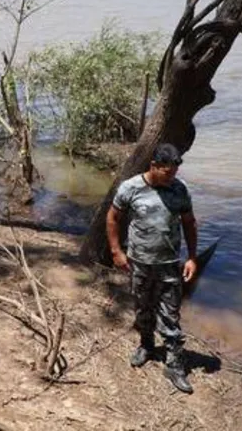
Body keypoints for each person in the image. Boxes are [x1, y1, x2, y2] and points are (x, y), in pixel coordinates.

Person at [106, 143, 198, 394]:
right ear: (154, 166)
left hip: (169, 265)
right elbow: (113, 217)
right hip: (140, 263)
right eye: (167, 172)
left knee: (171, 314)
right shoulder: (131, 187)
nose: (172, 177)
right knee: (143, 308)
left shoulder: (179, 190)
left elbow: (189, 223)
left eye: (175, 172)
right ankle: (146, 345)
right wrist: (116, 251)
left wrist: (191, 257)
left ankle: (174, 363)